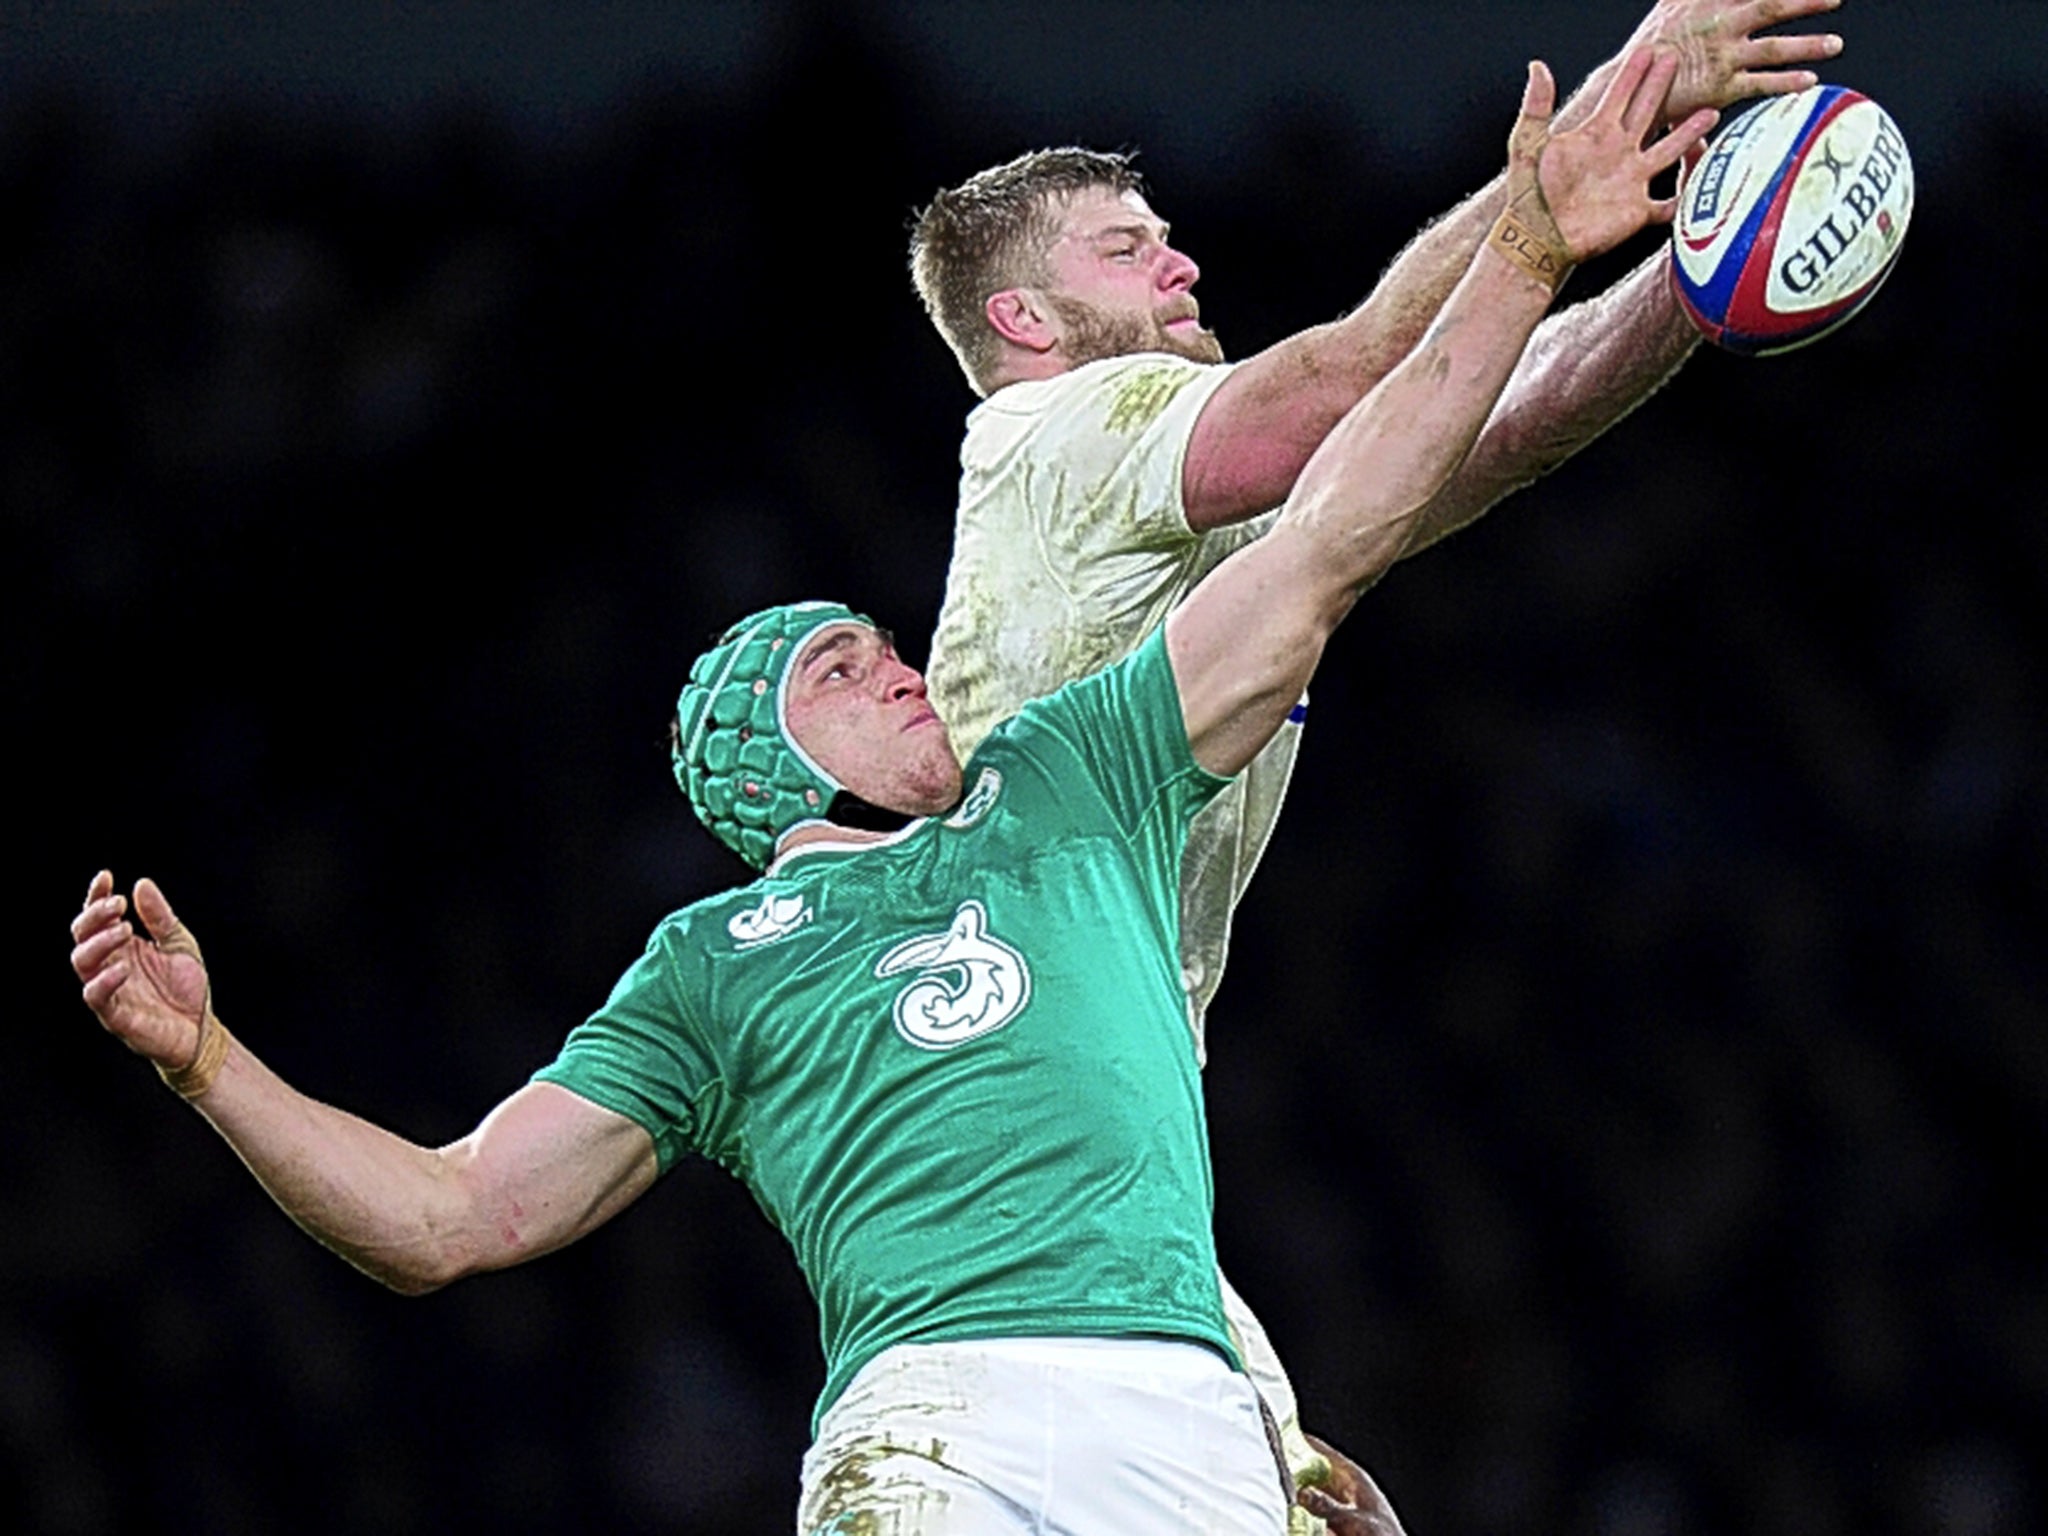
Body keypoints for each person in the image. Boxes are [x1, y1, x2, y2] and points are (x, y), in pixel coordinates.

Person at [70, 51, 1712, 1534]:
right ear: (763, 765)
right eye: (841, 671)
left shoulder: (1075, 776)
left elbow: (1343, 528)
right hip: (941, 1432)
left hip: (1184, 1397)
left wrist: (1540, 259)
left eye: (886, 644)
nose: (905, 668)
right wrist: (214, 1064)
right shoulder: (714, 963)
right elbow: (447, 1216)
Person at [906, 0, 1845, 1518]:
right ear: (1025, 318)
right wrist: (1623, 99)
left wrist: (1700, 274)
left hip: (1097, 1150)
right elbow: (1348, 380)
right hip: (1006, 1136)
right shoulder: (1062, 436)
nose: (1183, 262)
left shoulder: (1187, 518)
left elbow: (1492, 421)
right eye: (1129, 248)